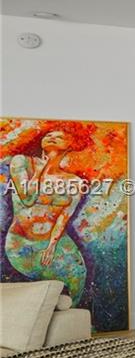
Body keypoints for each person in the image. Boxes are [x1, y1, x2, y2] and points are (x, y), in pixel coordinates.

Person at [3, 126, 90, 301]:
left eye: (59, 136)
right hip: (22, 243)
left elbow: (63, 217)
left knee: (78, 274)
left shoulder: (74, 182)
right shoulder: (22, 163)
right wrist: (44, 168)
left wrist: (52, 246)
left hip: (52, 241)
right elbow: (27, 198)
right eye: (48, 135)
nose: (52, 137)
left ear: (69, 146)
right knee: (44, 284)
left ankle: (70, 319)